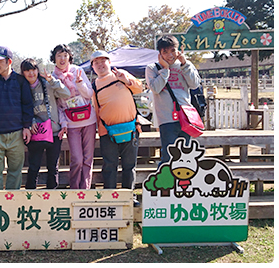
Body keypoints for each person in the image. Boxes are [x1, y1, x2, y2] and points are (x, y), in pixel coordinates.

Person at [0, 45, 33, 190]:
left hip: (17, 135)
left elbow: (28, 105)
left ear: (9, 62)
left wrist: (26, 126)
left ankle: (12, 204)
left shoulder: (21, 81)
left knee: (15, 172)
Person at [91, 51, 144, 189]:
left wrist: (125, 81)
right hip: (108, 133)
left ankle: (128, 197)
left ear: (109, 62)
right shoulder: (94, 86)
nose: (100, 64)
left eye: (103, 60)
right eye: (96, 62)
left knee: (129, 165)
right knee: (109, 166)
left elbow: (139, 88)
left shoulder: (120, 73)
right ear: (92, 67)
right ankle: (110, 197)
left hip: (131, 128)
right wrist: (101, 132)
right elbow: (97, 111)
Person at [146, 35, 202, 165]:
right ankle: (166, 184)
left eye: (172, 50)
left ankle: (184, 184)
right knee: (168, 156)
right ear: (159, 53)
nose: (170, 55)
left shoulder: (185, 65)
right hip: (166, 119)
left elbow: (194, 85)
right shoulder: (153, 68)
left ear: (178, 50)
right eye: (165, 52)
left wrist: (185, 64)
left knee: (185, 156)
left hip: (185, 117)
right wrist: (165, 70)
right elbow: (155, 88)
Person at [46, 45, 96, 189]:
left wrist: (80, 84)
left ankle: (84, 189)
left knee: (88, 159)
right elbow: (57, 106)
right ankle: (74, 188)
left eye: (65, 55)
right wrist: (63, 123)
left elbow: (88, 94)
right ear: (54, 58)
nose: (62, 59)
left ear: (69, 57)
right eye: (59, 56)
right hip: (71, 122)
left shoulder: (78, 70)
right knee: (77, 159)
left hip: (88, 120)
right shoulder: (53, 78)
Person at [21, 58, 68, 189]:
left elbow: (66, 93)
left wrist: (52, 81)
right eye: (27, 70)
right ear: (23, 73)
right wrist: (30, 122)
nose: (31, 73)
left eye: (33, 69)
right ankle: (30, 195)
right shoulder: (21, 88)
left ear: (38, 70)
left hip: (54, 131)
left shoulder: (47, 84)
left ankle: (52, 194)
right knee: (34, 166)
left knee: (53, 166)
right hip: (35, 132)